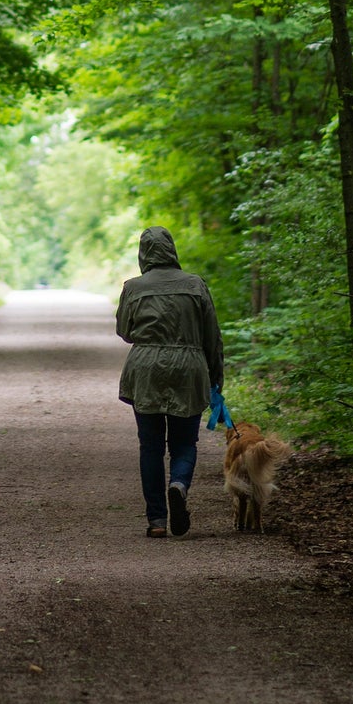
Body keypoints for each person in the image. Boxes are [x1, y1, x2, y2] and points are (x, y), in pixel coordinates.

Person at [115, 226, 224, 538]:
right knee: (184, 443)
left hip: (146, 369)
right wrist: (216, 378)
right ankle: (178, 483)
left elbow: (124, 331)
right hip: (189, 368)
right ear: (172, 250)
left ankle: (157, 521)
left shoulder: (133, 288)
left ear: (143, 254)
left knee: (150, 445)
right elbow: (211, 337)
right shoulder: (196, 284)